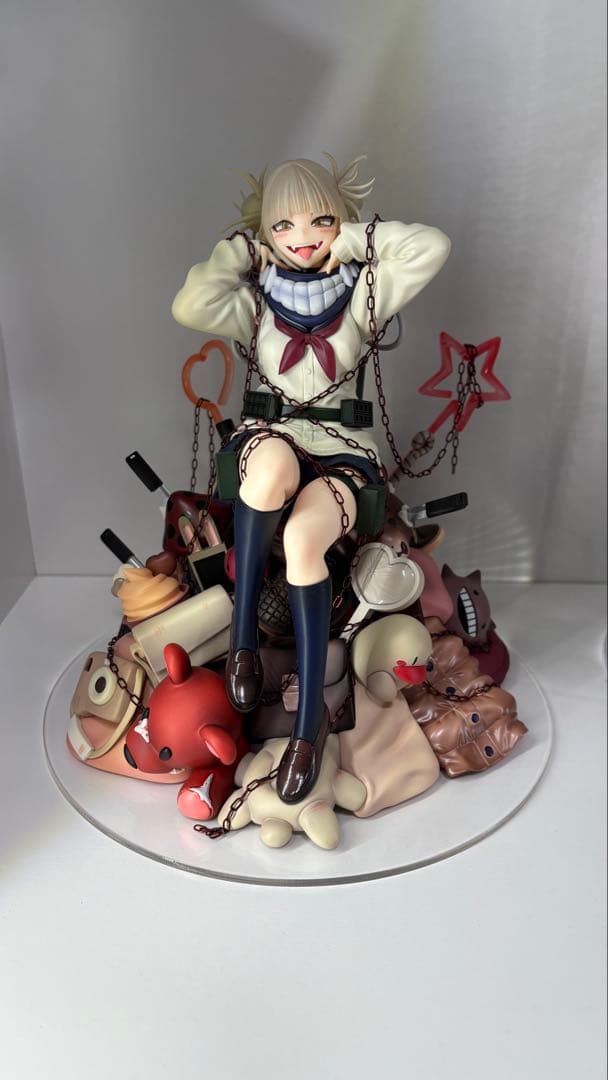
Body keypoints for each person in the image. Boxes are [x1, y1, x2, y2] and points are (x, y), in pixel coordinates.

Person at [172, 155, 450, 804]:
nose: (302, 237)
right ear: (265, 232)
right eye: (283, 225)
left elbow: (431, 246)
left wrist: (351, 240)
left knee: (303, 540)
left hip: (344, 452)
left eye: (320, 220)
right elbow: (190, 303)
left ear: (338, 222)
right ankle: (243, 641)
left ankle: (308, 731)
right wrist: (243, 251)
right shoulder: (254, 299)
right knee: (269, 469)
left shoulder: (365, 290)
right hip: (272, 437)